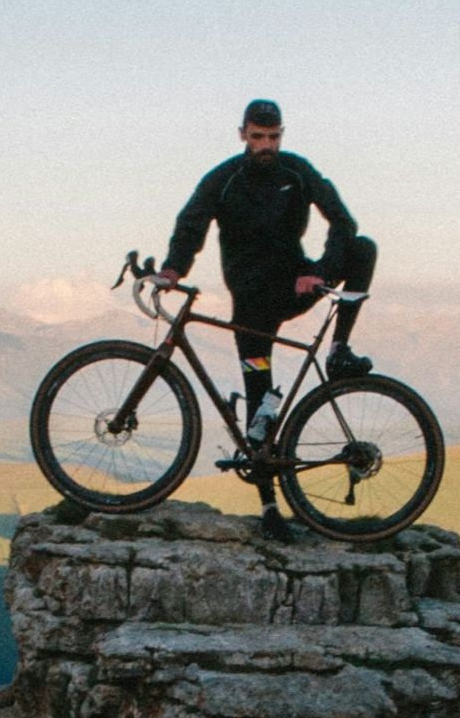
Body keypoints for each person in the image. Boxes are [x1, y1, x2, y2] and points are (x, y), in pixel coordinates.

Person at [157, 98, 377, 541]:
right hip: (252, 302)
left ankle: (338, 351)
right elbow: (191, 223)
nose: (266, 146)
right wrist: (172, 269)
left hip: (296, 284)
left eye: (274, 137)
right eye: (258, 137)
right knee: (260, 410)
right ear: (242, 134)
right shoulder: (224, 178)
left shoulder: (296, 170)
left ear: (282, 135)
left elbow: (342, 220)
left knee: (363, 248)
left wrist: (318, 270)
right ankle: (270, 505)